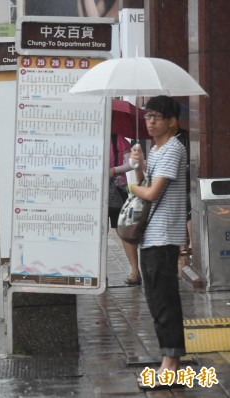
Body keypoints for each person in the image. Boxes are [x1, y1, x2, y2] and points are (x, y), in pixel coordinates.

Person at [129, 96, 187, 387]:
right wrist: (139, 166)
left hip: (164, 236)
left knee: (165, 302)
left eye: (157, 116)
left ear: (172, 122)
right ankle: (167, 360)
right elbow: (149, 185)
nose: (150, 121)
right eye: (148, 115)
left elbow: (151, 194)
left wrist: (132, 185)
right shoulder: (156, 149)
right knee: (155, 301)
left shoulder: (174, 149)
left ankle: (172, 365)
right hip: (150, 236)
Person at [109, 134, 141, 285]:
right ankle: (99, 274)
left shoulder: (117, 139)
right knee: (97, 234)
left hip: (118, 190)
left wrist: (114, 169)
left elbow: (130, 164)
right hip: (94, 191)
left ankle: (135, 271)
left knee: (123, 230)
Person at [174, 122, 192, 275]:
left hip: (182, 180)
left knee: (185, 211)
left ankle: (186, 244)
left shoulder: (181, 139)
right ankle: (183, 245)